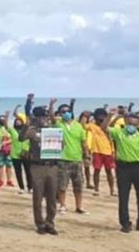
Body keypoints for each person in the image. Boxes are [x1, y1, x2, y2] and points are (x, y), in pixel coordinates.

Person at [19, 99, 60, 235]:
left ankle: (50, 222)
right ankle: (40, 223)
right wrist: (27, 125)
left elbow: (61, 144)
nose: (44, 119)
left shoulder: (53, 130)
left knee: (52, 197)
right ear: (36, 118)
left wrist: (58, 143)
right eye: (41, 116)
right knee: (37, 196)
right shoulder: (32, 130)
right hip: (37, 166)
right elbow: (21, 138)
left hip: (52, 165)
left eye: (45, 116)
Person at [105, 111, 139, 233]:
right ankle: (125, 223)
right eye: (129, 123)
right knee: (124, 196)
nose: (131, 126)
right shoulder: (119, 133)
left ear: (138, 125)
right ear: (125, 122)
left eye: (134, 124)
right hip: (123, 167)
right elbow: (104, 128)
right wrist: (110, 116)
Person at [54, 101, 88, 215]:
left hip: (77, 159)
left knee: (78, 185)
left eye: (68, 111)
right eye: (63, 111)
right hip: (62, 159)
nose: (66, 113)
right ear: (60, 113)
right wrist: (51, 105)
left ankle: (79, 206)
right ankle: (63, 205)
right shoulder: (58, 124)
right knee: (62, 185)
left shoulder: (78, 126)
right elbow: (51, 117)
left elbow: (84, 142)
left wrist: (86, 156)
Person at [87, 108, 116, 197]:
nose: (101, 118)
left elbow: (113, 140)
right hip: (97, 152)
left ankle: (112, 190)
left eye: (103, 116)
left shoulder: (109, 127)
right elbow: (83, 125)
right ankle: (96, 189)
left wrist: (113, 151)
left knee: (109, 172)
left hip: (108, 152)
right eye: (99, 116)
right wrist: (87, 116)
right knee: (97, 171)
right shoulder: (92, 126)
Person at [6, 114, 32, 194]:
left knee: (28, 171)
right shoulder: (12, 130)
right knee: (18, 172)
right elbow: (6, 124)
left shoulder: (27, 130)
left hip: (26, 153)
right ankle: (21, 187)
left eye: (19, 121)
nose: (18, 122)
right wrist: (7, 116)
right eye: (16, 121)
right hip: (15, 154)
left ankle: (30, 187)